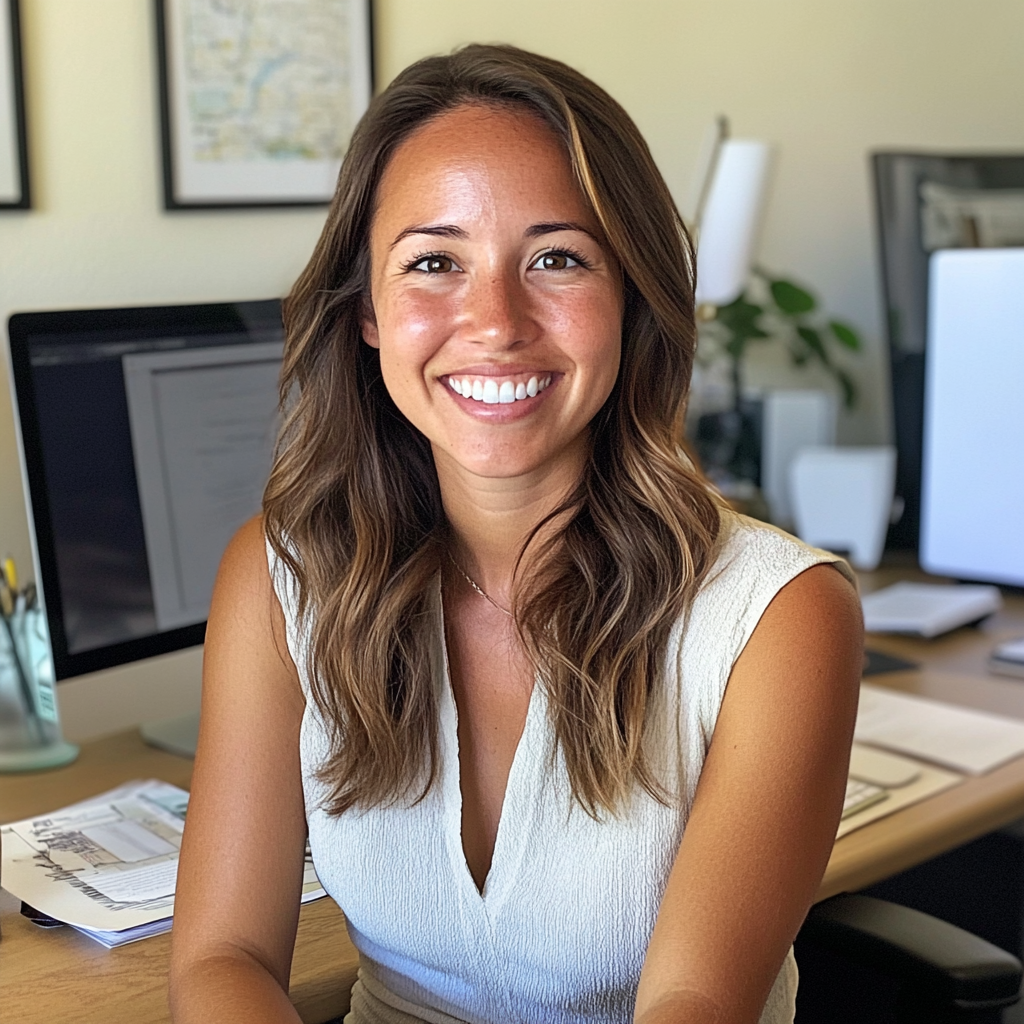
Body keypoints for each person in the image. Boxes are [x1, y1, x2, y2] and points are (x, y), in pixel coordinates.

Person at [169, 44, 862, 1024]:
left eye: (556, 258)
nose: (494, 321)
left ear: (631, 293)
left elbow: (695, 1000)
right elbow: (224, 956)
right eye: (433, 262)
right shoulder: (281, 578)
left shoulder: (776, 615)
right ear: (366, 309)